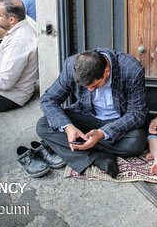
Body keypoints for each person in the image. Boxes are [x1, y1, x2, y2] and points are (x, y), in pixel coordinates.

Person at [36, 49, 147, 178]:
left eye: (95, 86)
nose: (90, 90)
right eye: (86, 87)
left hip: (118, 121)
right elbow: (48, 100)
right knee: (43, 125)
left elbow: (137, 113)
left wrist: (102, 134)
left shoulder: (131, 69)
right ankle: (98, 158)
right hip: (86, 116)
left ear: (106, 72)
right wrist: (68, 127)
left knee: (137, 142)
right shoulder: (71, 66)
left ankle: (85, 148)